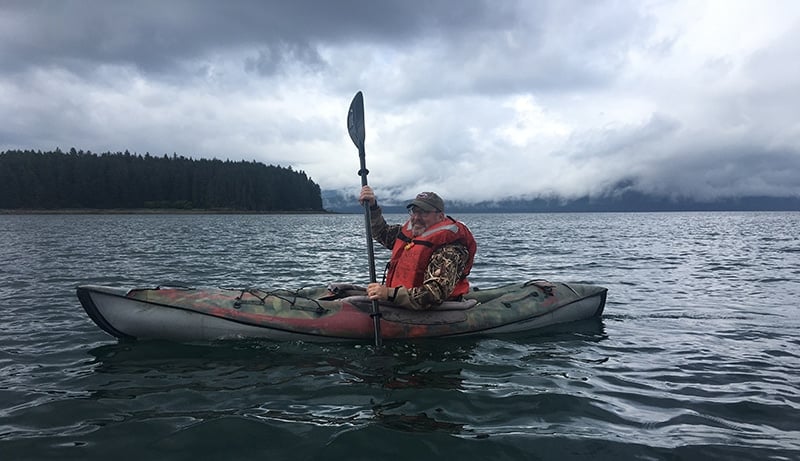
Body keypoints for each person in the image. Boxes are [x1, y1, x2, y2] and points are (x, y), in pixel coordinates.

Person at [358, 185, 477, 310]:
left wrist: (389, 294)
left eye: (424, 213)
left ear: (440, 217)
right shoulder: (412, 234)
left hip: (437, 311)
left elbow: (434, 293)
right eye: (414, 211)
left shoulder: (451, 249)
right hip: (401, 304)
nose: (416, 218)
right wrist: (372, 207)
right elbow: (382, 233)